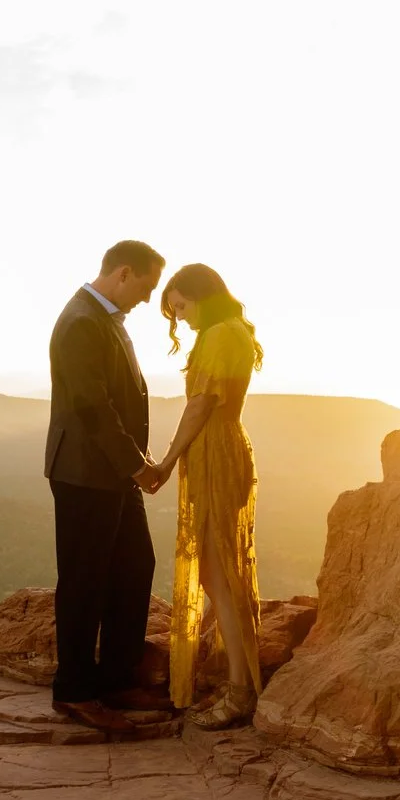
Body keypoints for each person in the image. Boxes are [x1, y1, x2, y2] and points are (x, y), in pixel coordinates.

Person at [45, 240, 169, 731]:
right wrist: (137, 466)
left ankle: (117, 679)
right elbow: (92, 408)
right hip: (83, 473)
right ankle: (74, 691)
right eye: (146, 286)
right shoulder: (81, 322)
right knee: (84, 580)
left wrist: (135, 462)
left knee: (135, 566)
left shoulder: (104, 319)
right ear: (123, 273)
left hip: (112, 471)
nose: (146, 298)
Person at [138, 263, 264, 729]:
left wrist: (167, 460)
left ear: (201, 297)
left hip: (215, 450)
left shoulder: (219, 336)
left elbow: (200, 405)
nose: (181, 318)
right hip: (221, 448)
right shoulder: (231, 331)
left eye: (182, 307)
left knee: (218, 570)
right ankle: (235, 672)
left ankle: (240, 690)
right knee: (218, 569)